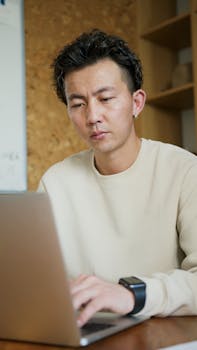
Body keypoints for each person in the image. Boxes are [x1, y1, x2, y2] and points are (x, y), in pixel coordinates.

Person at [38, 29, 197, 327]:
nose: (92, 115)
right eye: (78, 104)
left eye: (106, 98)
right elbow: (35, 282)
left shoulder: (185, 171)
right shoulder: (55, 183)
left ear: (137, 103)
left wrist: (132, 295)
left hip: (164, 334)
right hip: (86, 332)